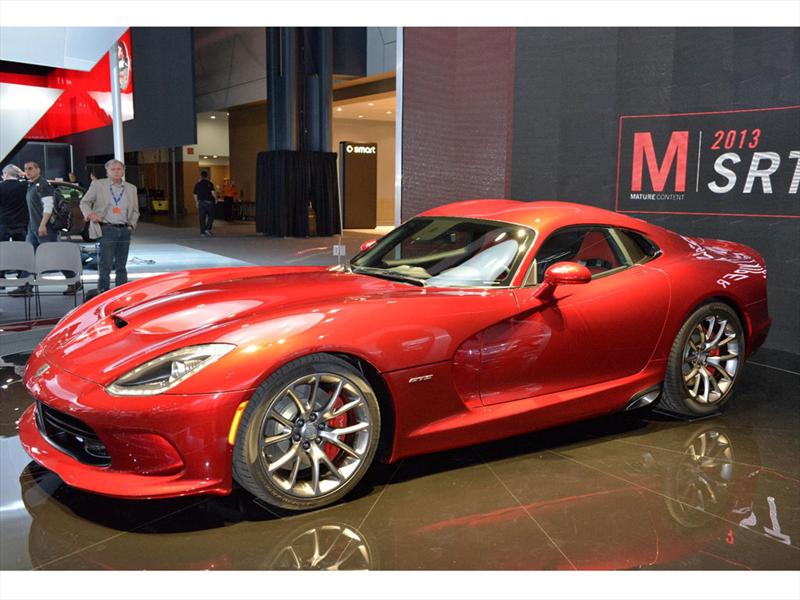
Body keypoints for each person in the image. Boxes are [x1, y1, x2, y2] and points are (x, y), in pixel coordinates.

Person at [14, 161, 81, 296]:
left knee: (55, 257)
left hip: (45, 229)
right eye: (26, 169)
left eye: (31, 168)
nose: (28, 171)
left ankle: (74, 281)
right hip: (33, 229)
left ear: (38, 169)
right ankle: (24, 286)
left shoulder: (43, 185)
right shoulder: (32, 185)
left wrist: (43, 224)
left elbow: (48, 206)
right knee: (29, 258)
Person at [80, 159, 140, 295]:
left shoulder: (131, 188)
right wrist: (91, 215)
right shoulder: (98, 185)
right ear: (107, 172)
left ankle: (121, 293)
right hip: (107, 229)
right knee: (105, 264)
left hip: (125, 230)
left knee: (121, 265)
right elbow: (84, 202)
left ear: (123, 171)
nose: (116, 172)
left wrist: (131, 224)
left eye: (119, 169)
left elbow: (135, 210)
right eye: (113, 169)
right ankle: (103, 292)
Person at [0, 164, 28, 241]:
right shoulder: (24, 185)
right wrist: (23, 174)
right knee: (21, 248)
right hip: (21, 223)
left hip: (4, 223)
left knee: (2, 248)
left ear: (6, 173)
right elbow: (33, 181)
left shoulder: (1, 186)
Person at [193, 170, 217, 236]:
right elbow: (213, 193)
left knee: (202, 217)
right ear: (207, 176)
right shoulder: (210, 183)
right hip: (209, 202)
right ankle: (208, 228)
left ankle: (202, 232)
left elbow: (195, 194)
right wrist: (216, 199)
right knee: (211, 216)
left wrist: (196, 202)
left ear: (200, 176)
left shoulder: (197, 184)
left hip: (201, 202)